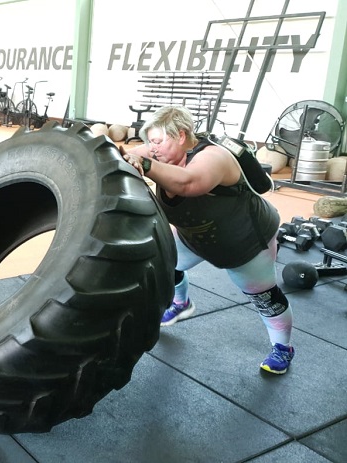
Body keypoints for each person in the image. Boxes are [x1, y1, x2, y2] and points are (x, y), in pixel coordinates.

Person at [121, 105, 295, 374]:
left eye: (157, 141)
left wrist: (143, 163)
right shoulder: (163, 153)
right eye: (149, 142)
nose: (151, 148)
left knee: (264, 297)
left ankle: (283, 348)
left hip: (245, 241)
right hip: (196, 235)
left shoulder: (214, 157)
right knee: (166, 264)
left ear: (180, 136)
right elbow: (128, 154)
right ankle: (181, 304)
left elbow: (188, 183)